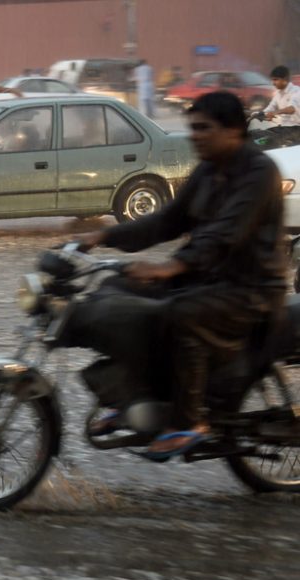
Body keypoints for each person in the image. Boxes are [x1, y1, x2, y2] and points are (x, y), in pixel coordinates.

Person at [74, 91, 286, 460]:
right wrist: (104, 235)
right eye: (192, 128)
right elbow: (167, 221)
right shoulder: (208, 170)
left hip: (251, 290)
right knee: (119, 291)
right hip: (209, 278)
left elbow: (225, 234)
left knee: (180, 313)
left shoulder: (258, 173)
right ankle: (136, 397)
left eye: (204, 128)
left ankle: (189, 421)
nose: (195, 136)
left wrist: (171, 266)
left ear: (234, 130)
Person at [257, 65, 300, 144]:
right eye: (272, 80)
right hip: (285, 128)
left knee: (267, 140)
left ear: (285, 79)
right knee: (260, 136)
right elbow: (270, 108)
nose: (273, 83)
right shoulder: (278, 93)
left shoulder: (296, 91)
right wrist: (259, 114)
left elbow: (291, 109)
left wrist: (275, 113)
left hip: (297, 129)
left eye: (276, 80)